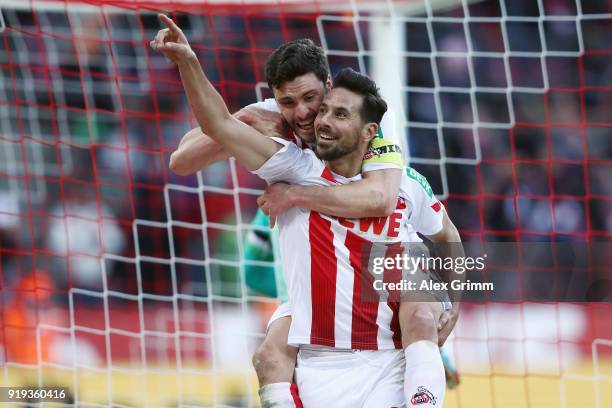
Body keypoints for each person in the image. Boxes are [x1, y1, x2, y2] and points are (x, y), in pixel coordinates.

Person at [151, 15, 462, 407]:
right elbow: (184, 159)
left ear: (330, 89)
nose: (301, 113)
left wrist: (295, 195)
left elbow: (381, 200)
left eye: (310, 99)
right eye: (288, 103)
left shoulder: (370, 129)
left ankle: (423, 363)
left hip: (387, 273)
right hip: (319, 290)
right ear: (275, 100)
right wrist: (242, 117)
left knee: (418, 305)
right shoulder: (283, 149)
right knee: (269, 354)